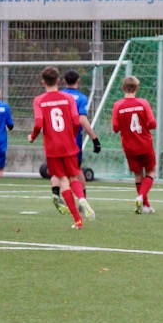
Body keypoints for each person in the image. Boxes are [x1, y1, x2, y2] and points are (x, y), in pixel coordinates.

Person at [28, 66, 87, 229]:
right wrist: (72, 136)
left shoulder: (39, 100)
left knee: (63, 181)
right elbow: (77, 121)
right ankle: (82, 198)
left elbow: (39, 123)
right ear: (58, 81)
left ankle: (78, 220)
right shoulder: (68, 98)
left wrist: (32, 137)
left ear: (43, 82)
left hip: (52, 147)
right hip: (69, 143)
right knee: (74, 176)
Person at [55, 69, 101, 219]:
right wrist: (94, 138)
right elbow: (82, 119)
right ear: (78, 81)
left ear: (63, 81)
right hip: (73, 138)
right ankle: (83, 200)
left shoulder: (57, 96)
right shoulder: (81, 98)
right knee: (76, 170)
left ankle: (56, 195)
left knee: (58, 169)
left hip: (56, 137)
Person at [112, 75, 158, 215]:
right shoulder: (143, 103)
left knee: (138, 175)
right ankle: (141, 198)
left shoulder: (117, 105)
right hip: (144, 143)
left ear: (122, 88)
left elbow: (115, 127)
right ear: (137, 88)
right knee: (150, 172)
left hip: (129, 146)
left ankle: (145, 206)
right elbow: (153, 124)